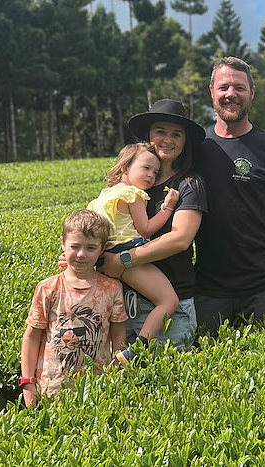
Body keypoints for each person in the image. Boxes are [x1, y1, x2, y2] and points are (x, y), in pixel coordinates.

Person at [192, 56, 265, 333]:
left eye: (240, 88)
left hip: (264, 288)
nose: (231, 94)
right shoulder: (196, 147)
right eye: (224, 87)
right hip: (208, 291)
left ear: (252, 93)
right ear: (212, 92)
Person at [100, 99, 207, 351]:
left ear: (185, 141)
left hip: (171, 304)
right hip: (122, 302)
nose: (168, 139)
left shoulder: (189, 184)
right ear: (149, 135)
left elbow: (180, 239)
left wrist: (123, 260)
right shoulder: (129, 186)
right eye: (160, 131)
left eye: (176, 134)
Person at [20, 209, 126, 407]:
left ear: (102, 249)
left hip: (98, 388)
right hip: (51, 388)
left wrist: (116, 373)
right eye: (74, 246)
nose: (81, 254)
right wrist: (27, 383)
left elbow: (118, 334)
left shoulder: (112, 288)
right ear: (63, 243)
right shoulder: (48, 288)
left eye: (91, 248)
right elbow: (32, 336)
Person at [87, 142, 180, 363]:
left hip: (103, 257)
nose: (151, 176)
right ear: (124, 168)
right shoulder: (133, 194)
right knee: (169, 301)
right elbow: (146, 228)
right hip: (127, 252)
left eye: (155, 172)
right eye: (146, 168)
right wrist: (168, 207)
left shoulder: (101, 198)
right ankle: (136, 350)